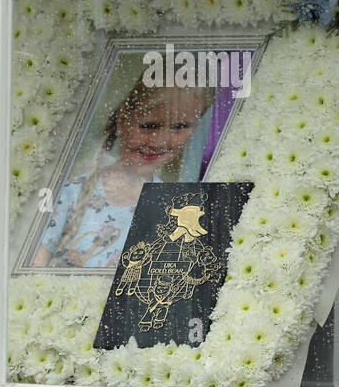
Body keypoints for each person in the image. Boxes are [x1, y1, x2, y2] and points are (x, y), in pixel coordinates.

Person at [32, 78, 215, 268]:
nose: (159, 142)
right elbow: (34, 271)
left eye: (179, 127)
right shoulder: (69, 194)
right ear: (122, 122)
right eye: (149, 126)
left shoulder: (180, 210)